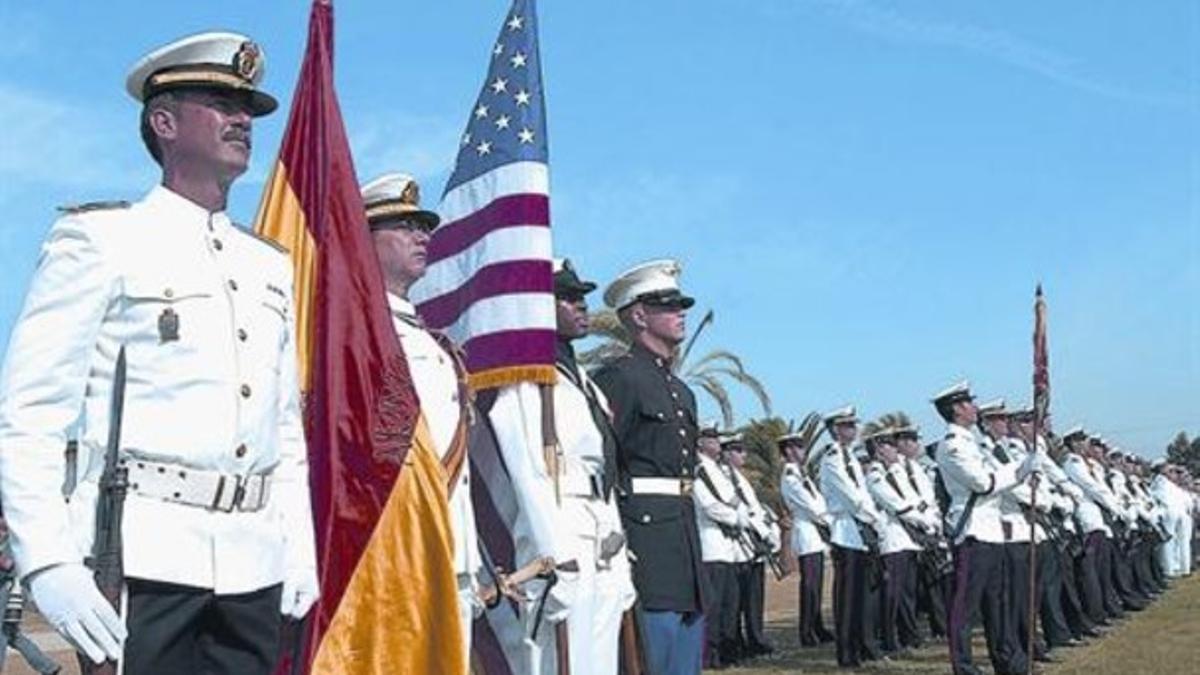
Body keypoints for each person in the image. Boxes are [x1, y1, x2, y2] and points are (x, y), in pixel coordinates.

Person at [0, 32, 317, 674]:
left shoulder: (267, 265)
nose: (241, 121)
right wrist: (49, 559)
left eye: (248, 110)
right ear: (163, 122)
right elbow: (30, 411)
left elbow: (283, 425)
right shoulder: (101, 240)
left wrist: (299, 543)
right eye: (221, 103)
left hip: (252, 563)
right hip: (143, 560)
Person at [362, 172, 482, 669]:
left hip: (452, 543)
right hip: (394, 545)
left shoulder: (434, 343)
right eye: (403, 226)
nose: (421, 236)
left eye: (423, 227)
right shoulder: (360, 337)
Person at [593, 259, 706, 675]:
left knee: (686, 658)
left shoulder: (682, 390)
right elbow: (603, 464)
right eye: (668, 305)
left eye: (681, 305)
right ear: (639, 315)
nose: (681, 313)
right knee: (653, 656)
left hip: (685, 539)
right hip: (646, 541)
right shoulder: (618, 379)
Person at [932, 382, 1038, 675]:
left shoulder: (973, 443)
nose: (974, 407)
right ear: (956, 409)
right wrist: (1019, 471)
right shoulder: (952, 445)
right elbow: (983, 483)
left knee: (998, 602)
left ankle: (1008, 662)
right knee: (965, 607)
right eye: (968, 403)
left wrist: (1021, 468)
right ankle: (963, 667)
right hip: (973, 531)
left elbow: (993, 475)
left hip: (991, 530)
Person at [816, 406, 883, 668]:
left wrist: (871, 519)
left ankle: (858, 646)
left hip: (859, 530)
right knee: (847, 598)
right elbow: (851, 497)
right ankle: (846, 652)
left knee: (860, 596)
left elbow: (862, 494)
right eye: (847, 426)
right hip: (846, 531)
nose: (853, 430)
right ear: (835, 429)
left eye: (853, 426)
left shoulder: (850, 458)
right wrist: (874, 518)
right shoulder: (832, 458)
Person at [861, 423, 926, 654]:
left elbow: (914, 497)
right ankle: (889, 638)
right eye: (889, 445)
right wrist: (923, 521)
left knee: (908, 591)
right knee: (892, 594)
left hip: (907, 538)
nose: (895, 449)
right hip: (891, 539)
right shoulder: (875, 476)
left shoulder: (898, 471)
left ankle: (909, 635)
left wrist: (925, 518)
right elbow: (896, 503)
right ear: (878, 449)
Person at [719, 433, 778, 660]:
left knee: (754, 597)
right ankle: (736, 641)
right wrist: (760, 529)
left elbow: (755, 507)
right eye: (737, 450)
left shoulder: (740, 478)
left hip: (754, 543)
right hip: (739, 543)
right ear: (726, 453)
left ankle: (756, 638)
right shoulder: (723, 479)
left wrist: (767, 530)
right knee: (736, 601)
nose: (743, 454)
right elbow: (741, 511)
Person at [692, 424, 744, 669]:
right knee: (712, 607)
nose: (716, 442)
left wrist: (742, 517)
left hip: (728, 546)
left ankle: (723, 651)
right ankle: (709, 655)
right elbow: (708, 505)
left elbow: (735, 499)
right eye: (710, 438)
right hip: (712, 542)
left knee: (729, 604)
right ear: (700, 442)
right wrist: (737, 519)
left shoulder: (718, 471)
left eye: (716, 437)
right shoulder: (699, 469)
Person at [779, 432, 835, 647]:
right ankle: (807, 631)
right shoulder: (791, 477)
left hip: (815, 534)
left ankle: (817, 626)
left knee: (817, 585)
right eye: (798, 447)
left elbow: (817, 500)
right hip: (806, 533)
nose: (802, 452)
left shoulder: (802, 475)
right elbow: (811, 505)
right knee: (810, 585)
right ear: (789, 451)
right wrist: (828, 520)